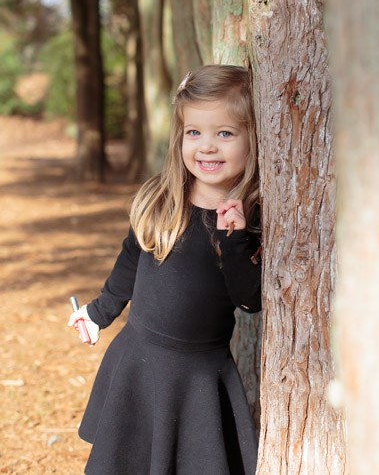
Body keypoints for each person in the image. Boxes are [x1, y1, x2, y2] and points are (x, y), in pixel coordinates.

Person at [68, 64, 262, 475]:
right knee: (124, 460)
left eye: (224, 133)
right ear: (180, 137)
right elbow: (131, 259)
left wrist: (235, 240)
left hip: (199, 374)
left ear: (254, 139)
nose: (207, 147)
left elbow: (250, 301)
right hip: (140, 359)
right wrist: (98, 313)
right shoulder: (162, 198)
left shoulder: (249, 216)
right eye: (195, 132)